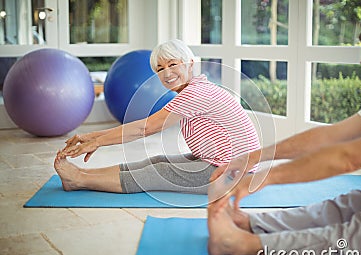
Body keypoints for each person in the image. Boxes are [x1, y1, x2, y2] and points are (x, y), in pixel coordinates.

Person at [207, 13, 361, 255]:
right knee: (355, 202)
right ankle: (252, 224)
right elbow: (329, 136)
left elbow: (347, 158)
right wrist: (252, 157)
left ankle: (244, 244)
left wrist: (266, 178)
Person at [54, 39, 260, 194]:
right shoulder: (196, 88)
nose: (167, 73)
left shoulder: (195, 93)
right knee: (157, 160)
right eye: (160, 69)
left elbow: (145, 128)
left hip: (234, 175)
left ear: (189, 64)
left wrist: (97, 142)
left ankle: (79, 179)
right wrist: (92, 137)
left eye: (172, 65)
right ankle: (81, 176)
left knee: (159, 172)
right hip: (226, 164)